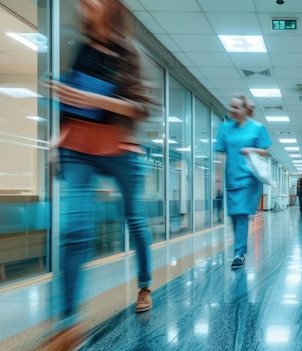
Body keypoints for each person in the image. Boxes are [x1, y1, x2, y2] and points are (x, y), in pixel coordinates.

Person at [41, 0, 158, 348]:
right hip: (78, 149)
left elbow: (141, 107)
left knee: (134, 219)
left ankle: (144, 284)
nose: (86, 3)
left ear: (111, 7)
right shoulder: (80, 49)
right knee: (75, 229)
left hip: (120, 149)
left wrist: (93, 98)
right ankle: (68, 324)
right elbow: (70, 107)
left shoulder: (128, 53)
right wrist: (54, 140)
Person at [215, 94, 271, 269]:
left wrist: (250, 149)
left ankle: (239, 253)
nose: (232, 110)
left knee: (241, 215)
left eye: (236, 107)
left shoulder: (257, 128)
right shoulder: (225, 128)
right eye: (230, 107)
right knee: (233, 214)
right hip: (231, 176)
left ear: (246, 110)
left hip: (249, 177)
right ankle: (239, 250)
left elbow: (265, 152)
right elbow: (220, 153)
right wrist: (217, 178)